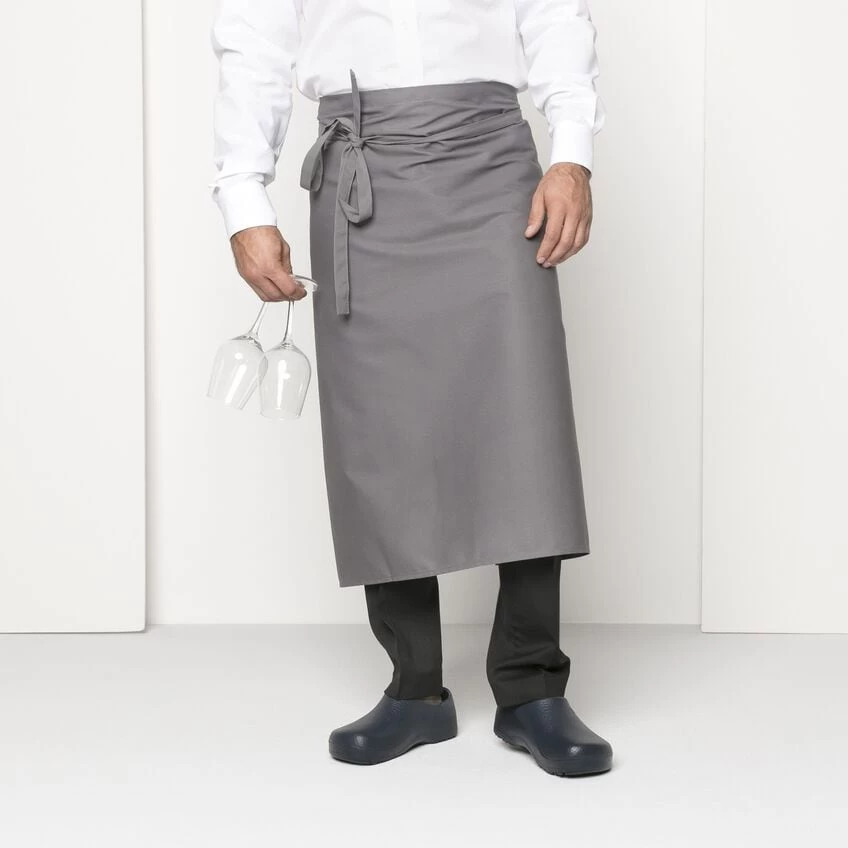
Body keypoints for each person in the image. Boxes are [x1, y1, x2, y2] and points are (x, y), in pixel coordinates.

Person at [210, 0, 612, 776]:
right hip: (360, 167)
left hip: (490, 158)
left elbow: (554, 12)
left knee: (523, 419)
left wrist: (572, 155)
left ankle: (532, 687)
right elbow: (253, 40)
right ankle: (415, 688)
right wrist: (243, 196)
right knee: (380, 432)